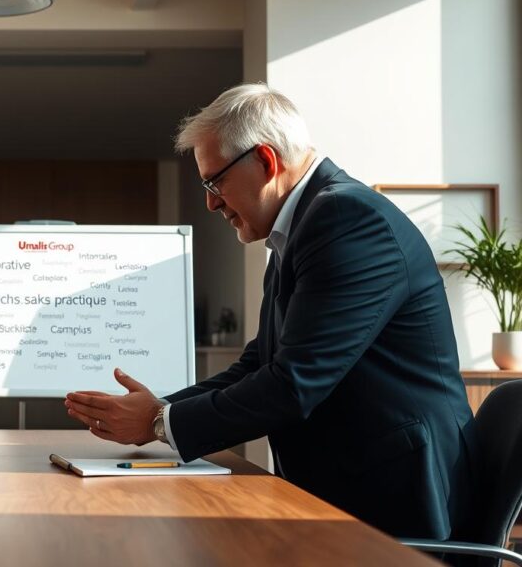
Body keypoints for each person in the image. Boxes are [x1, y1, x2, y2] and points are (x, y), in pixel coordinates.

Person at [64, 84, 475, 539]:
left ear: (265, 160)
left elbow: (294, 384)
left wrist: (160, 423)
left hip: (397, 504)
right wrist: (161, 412)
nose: (211, 202)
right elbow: (260, 363)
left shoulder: (346, 219)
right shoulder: (302, 226)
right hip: (348, 491)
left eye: (214, 181)